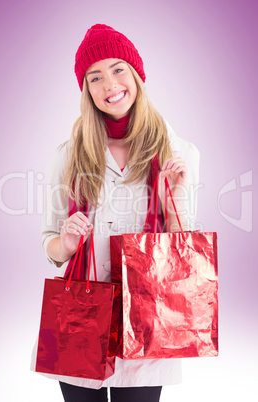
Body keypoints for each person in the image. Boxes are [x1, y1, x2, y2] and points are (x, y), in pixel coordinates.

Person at [32, 24, 200, 402]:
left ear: (137, 74)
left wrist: (170, 199)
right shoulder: (68, 155)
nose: (109, 84)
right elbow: (51, 246)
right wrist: (69, 241)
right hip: (80, 312)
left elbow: (181, 255)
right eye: (95, 77)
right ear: (86, 90)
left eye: (118, 69)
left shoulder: (177, 152)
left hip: (147, 312)